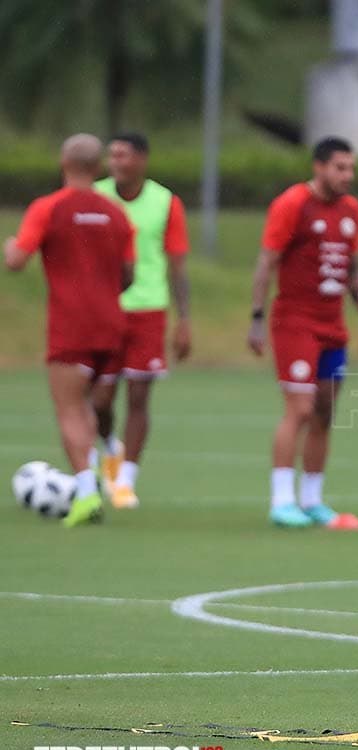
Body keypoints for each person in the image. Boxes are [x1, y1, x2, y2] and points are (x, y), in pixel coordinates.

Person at [247, 136, 358, 529]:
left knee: (324, 410)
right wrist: (256, 318)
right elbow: (266, 263)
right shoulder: (292, 204)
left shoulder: (351, 209)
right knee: (300, 408)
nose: (348, 175)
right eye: (340, 168)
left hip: (332, 327)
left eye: (351, 168)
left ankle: (312, 500)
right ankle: (282, 501)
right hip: (295, 323)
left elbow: (353, 268)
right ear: (319, 166)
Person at [3, 134, 135, 527]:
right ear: (98, 169)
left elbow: (16, 261)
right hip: (113, 324)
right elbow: (127, 276)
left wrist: (10, 244)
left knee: (70, 409)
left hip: (70, 325)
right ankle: (106, 463)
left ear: (63, 163)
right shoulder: (116, 214)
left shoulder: (48, 208)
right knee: (94, 406)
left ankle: (86, 493)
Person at [90, 132, 191, 509]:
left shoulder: (165, 202)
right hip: (104, 308)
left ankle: (125, 479)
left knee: (138, 395)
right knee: (99, 399)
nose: (116, 162)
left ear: (142, 160)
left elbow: (178, 264)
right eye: (111, 155)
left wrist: (184, 320)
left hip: (149, 308)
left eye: (124, 155)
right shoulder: (96, 196)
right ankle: (109, 447)